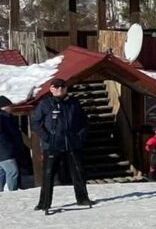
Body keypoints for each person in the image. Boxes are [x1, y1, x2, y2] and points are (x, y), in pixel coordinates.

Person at [30, 79, 92, 213]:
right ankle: (44, 203)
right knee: (49, 174)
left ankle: (82, 199)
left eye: (63, 87)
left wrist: (80, 136)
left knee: (78, 171)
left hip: (72, 143)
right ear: (51, 88)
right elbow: (35, 123)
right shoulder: (45, 104)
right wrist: (47, 137)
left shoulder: (73, 103)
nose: (60, 89)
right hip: (52, 145)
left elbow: (84, 121)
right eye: (56, 87)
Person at [0, 95, 26, 191]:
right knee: (13, 171)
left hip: (5, 149)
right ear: (4, 106)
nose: (12, 108)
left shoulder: (6, 117)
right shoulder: (4, 117)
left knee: (2, 173)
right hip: (5, 150)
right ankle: (12, 193)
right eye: (10, 106)